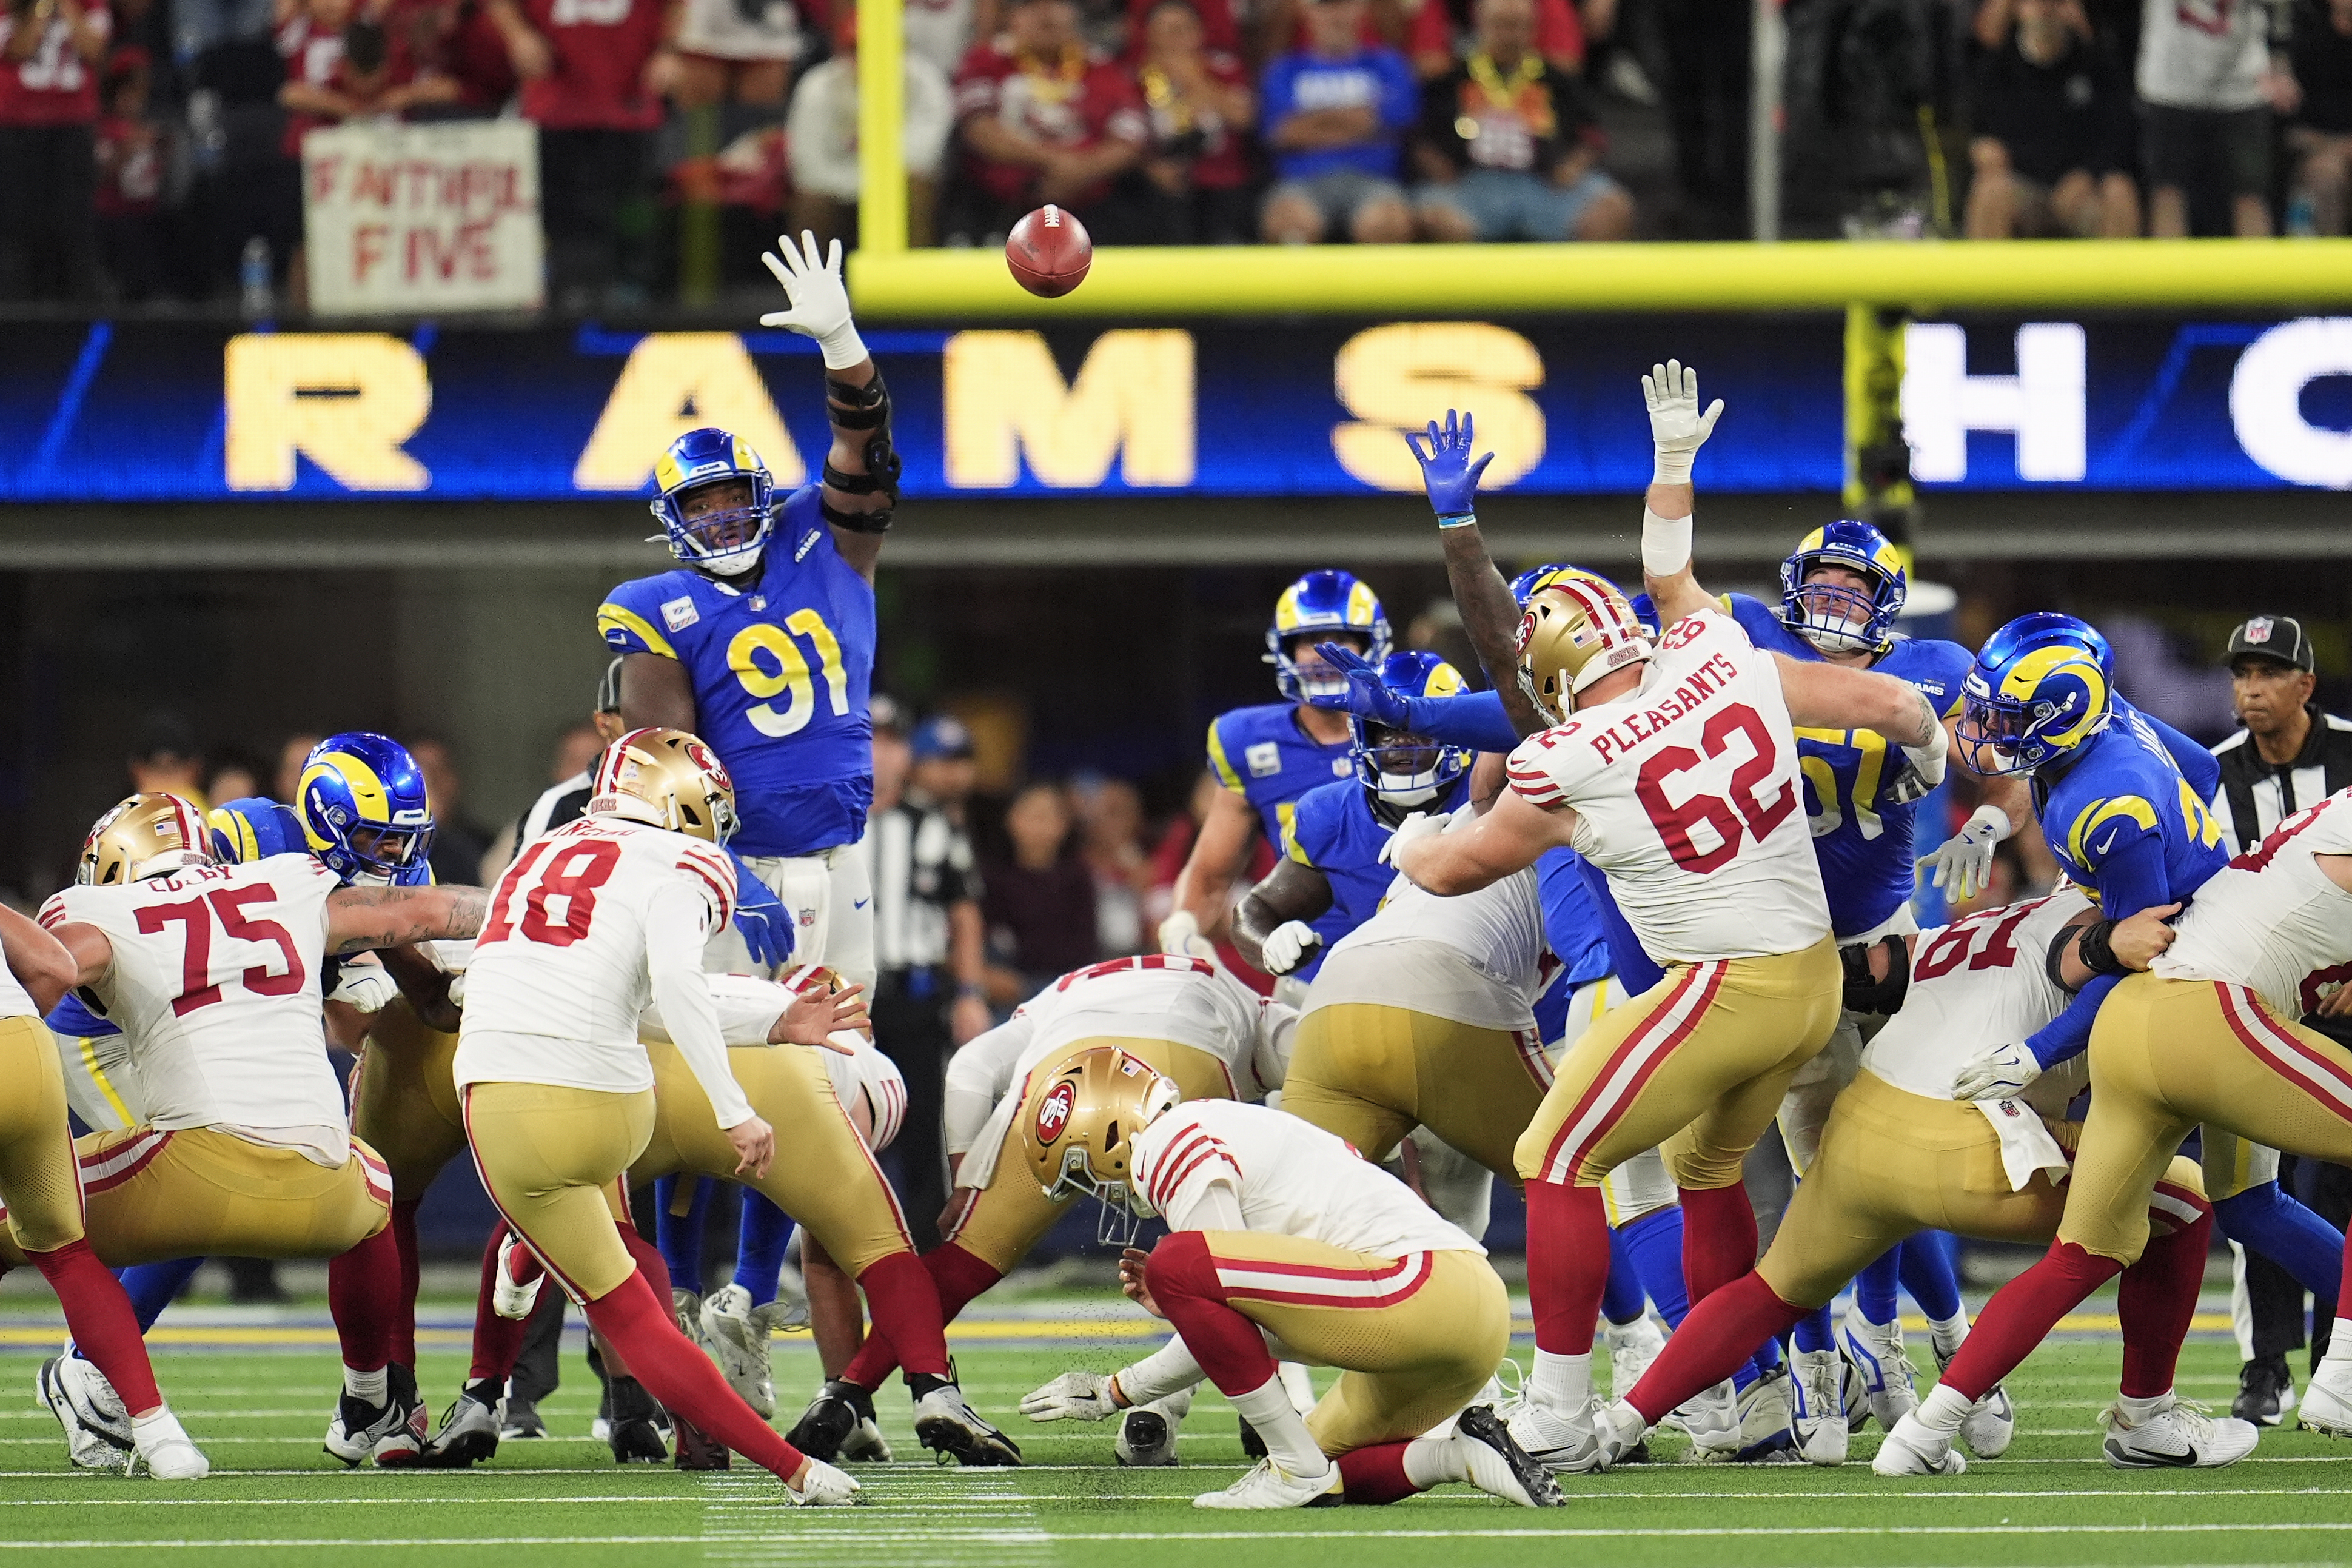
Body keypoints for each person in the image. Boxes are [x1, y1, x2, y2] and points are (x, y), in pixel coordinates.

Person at [1384, 363, 1956, 1473]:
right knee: (1703, 1173)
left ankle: (1554, 1405)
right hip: (1808, 982)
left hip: (1722, 988)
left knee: (1553, 1154)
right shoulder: (1717, 649)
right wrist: (1673, 467)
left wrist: (1406, 830)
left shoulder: (1566, 756)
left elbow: (1450, 872)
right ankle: (1745, 1400)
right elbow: (1885, 700)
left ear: (1548, 674)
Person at [1593, 890, 2229, 1472]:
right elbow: (2085, 958)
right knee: (2170, 1206)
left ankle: (1618, 1426)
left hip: (1860, 1128)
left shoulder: (1988, 920)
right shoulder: (2109, 932)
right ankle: (1976, 1426)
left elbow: (1871, 971)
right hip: (1958, 1142)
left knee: (1771, 1290)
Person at [437, 728, 869, 1503]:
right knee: (639, 1297)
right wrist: (736, 1107)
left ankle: (524, 1259)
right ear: (683, 798)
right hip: (609, 1108)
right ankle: (797, 1471)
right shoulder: (689, 858)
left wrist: (775, 1018)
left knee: (625, 1301)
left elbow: (538, 986)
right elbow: (675, 984)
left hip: (497, 1109)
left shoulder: (540, 851)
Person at [1882, 780, 2352, 1472]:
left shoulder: (2135, 780)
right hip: (2213, 1017)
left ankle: (1923, 1434)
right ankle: (2341, 1379)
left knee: (2112, 1245)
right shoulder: (2125, 784)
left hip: (2131, 1020)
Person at [29, 790, 487, 1468]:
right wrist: (535, 904)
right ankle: (88, 1365)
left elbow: (46, 965)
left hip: (180, 1032)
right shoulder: (280, 879)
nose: (389, 855)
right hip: (101, 1037)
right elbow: (427, 913)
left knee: (192, 1186)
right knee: (190, 1187)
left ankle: (104, 1364)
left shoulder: (246, 872)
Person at [1017, 1053, 1561, 1510]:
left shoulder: (1167, 1140)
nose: (1099, 1190)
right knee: (1329, 1463)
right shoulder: (1226, 1123)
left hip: (1419, 1285)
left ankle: (1293, 1474)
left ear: (1106, 1133)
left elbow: (1226, 1299)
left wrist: (1118, 1389)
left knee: (1176, 1264)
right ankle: (1458, 1454)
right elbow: (1266, 1324)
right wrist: (1196, 1313)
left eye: (1083, 1173)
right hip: (1465, 1312)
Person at [807, 951, 1293, 1462]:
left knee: (965, 1260)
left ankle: (846, 1395)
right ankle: (1259, 1415)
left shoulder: (1049, 1000)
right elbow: (1321, 1072)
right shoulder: (1254, 1008)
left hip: (1061, 1069)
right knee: (1234, 1263)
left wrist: (967, 1179)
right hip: (1182, 1060)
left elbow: (970, 1067)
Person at [600, 230, 895, 994]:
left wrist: (842, 341)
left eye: (735, 498)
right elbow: (661, 765)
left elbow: (869, 449)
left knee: (851, 1056)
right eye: (704, 506)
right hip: (741, 863)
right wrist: (723, 866)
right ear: (672, 519)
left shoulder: (825, 540)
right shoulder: (654, 607)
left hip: (843, 853)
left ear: (765, 497)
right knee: (746, 1053)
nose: (724, 519)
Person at [2206, 614, 2352, 1424]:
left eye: (2267, 674)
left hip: (2346, 1003)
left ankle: (2338, 1357)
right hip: (2261, 1006)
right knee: (2253, 1186)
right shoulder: (2213, 773)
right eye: (2240, 674)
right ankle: (2263, 1365)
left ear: (2304, 685)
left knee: (2331, 1182)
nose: (2249, 689)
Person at [1158, 569, 1390, 989]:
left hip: (1419, 947)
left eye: (1342, 638)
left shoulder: (1419, 727)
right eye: (1308, 641)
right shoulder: (1249, 742)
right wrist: (1183, 928)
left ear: (1372, 647)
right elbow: (1211, 876)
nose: (1325, 654)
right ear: (1285, 650)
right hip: (1307, 969)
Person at [1232, 650, 1472, 982]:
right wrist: (1270, 944)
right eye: (1384, 728)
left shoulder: (1491, 792)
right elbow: (1259, 909)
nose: (1401, 741)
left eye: (1419, 726)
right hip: (1395, 994)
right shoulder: (1331, 816)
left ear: (1457, 734)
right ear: (1360, 733)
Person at [484, 0, 675, 305]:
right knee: (562, 210)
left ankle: (633, 283)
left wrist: (669, 49)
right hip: (557, 94)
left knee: (633, 202)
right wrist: (518, 35)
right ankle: (568, 286)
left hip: (628, 92)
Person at [1410, 0, 1631, 241]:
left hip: (1545, 186)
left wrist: (1573, 166)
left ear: (1534, 28)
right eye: (1501, 26)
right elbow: (1419, 135)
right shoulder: (1452, 80)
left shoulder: (1556, 80)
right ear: (1480, 24)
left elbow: (1593, 133)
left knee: (1613, 207)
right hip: (1472, 186)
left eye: (1518, 26)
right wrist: (1439, 167)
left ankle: (1577, 278)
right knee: (1434, 215)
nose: (1509, 36)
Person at [948, 0, 1153, 243]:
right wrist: (1056, 162)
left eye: (1059, 4)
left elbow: (1131, 138)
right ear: (1012, 17)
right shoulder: (986, 61)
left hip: (1091, 208)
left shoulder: (1103, 68)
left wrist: (1081, 170)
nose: (1047, 13)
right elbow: (979, 129)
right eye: (1032, 5)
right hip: (999, 208)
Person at [785, 2, 954, 248]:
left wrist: (880, 184)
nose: (866, 59)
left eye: (879, 50)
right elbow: (808, 164)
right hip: (837, 182)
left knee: (918, 186)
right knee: (810, 201)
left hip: (897, 180)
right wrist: (861, 186)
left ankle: (914, 280)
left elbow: (925, 153)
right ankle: (804, 282)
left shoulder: (925, 81)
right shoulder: (817, 86)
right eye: (856, 50)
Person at [1965, 0, 2137, 238]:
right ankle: (1986, 275)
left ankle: (2117, 276)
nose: (2042, 11)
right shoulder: (1997, 68)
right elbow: (1981, 134)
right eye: (2033, 3)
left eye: (2051, 3)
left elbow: (2117, 135)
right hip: (2023, 186)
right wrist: (1984, 150)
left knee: (2120, 190)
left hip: (2080, 190)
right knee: (1990, 190)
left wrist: (2087, 175)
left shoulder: (2095, 64)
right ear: (2018, 10)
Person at [1257, 0, 1417, 242]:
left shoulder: (1388, 64)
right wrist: (1361, 121)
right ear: (1307, 12)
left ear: (1361, 9)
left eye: (1343, 5)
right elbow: (1283, 133)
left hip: (1374, 181)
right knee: (1287, 221)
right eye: (1325, 6)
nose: (1335, 16)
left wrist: (1311, 121)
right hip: (1302, 183)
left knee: (1388, 222)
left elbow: (1394, 121)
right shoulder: (1284, 69)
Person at [2136, 0, 2296, 236]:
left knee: (2250, 195)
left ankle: (2259, 274)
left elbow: (2279, 8)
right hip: (2170, 85)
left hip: (2242, 87)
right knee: (2168, 193)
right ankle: (2169, 273)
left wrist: (2281, 64)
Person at [0, 0, 108, 302]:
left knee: (74, 225)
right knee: (17, 227)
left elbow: (95, 50)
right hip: (18, 125)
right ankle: (18, 312)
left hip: (73, 125)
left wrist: (67, 8)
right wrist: (41, 9)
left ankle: (79, 310)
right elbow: (17, 48)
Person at [1131, 0, 1255, 242]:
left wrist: (1194, 79)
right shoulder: (1134, 77)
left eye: (1182, 30)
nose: (1174, 40)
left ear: (1200, 33)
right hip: (1158, 182)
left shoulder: (1224, 68)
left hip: (1223, 181)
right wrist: (1149, 168)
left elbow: (1244, 118)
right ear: (1149, 37)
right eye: (1166, 32)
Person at [982, 780, 1100, 1002]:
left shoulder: (1078, 877)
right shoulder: (990, 877)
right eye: (1033, 816)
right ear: (1010, 819)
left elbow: (1086, 949)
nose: (1041, 826)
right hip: (1008, 988)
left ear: (1065, 825)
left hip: (1067, 988)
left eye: (1049, 817)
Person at [2287, 0, 2352, 232]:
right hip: (2314, 143)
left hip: (2345, 144)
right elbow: (2291, 113)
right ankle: (2331, 264)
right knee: (2325, 176)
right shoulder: (2305, 31)